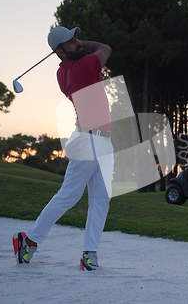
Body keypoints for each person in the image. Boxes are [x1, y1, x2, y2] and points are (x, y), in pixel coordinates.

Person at [13, 26, 114, 271]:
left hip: (101, 140)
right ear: (59, 51)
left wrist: (74, 44)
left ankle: (89, 253)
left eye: (77, 37)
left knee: (101, 199)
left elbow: (84, 53)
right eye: (72, 41)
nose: (78, 42)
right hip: (88, 140)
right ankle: (29, 240)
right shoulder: (83, 67)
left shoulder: (63, 72)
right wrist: (84, 43)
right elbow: (105, 49)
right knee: (69, 195)